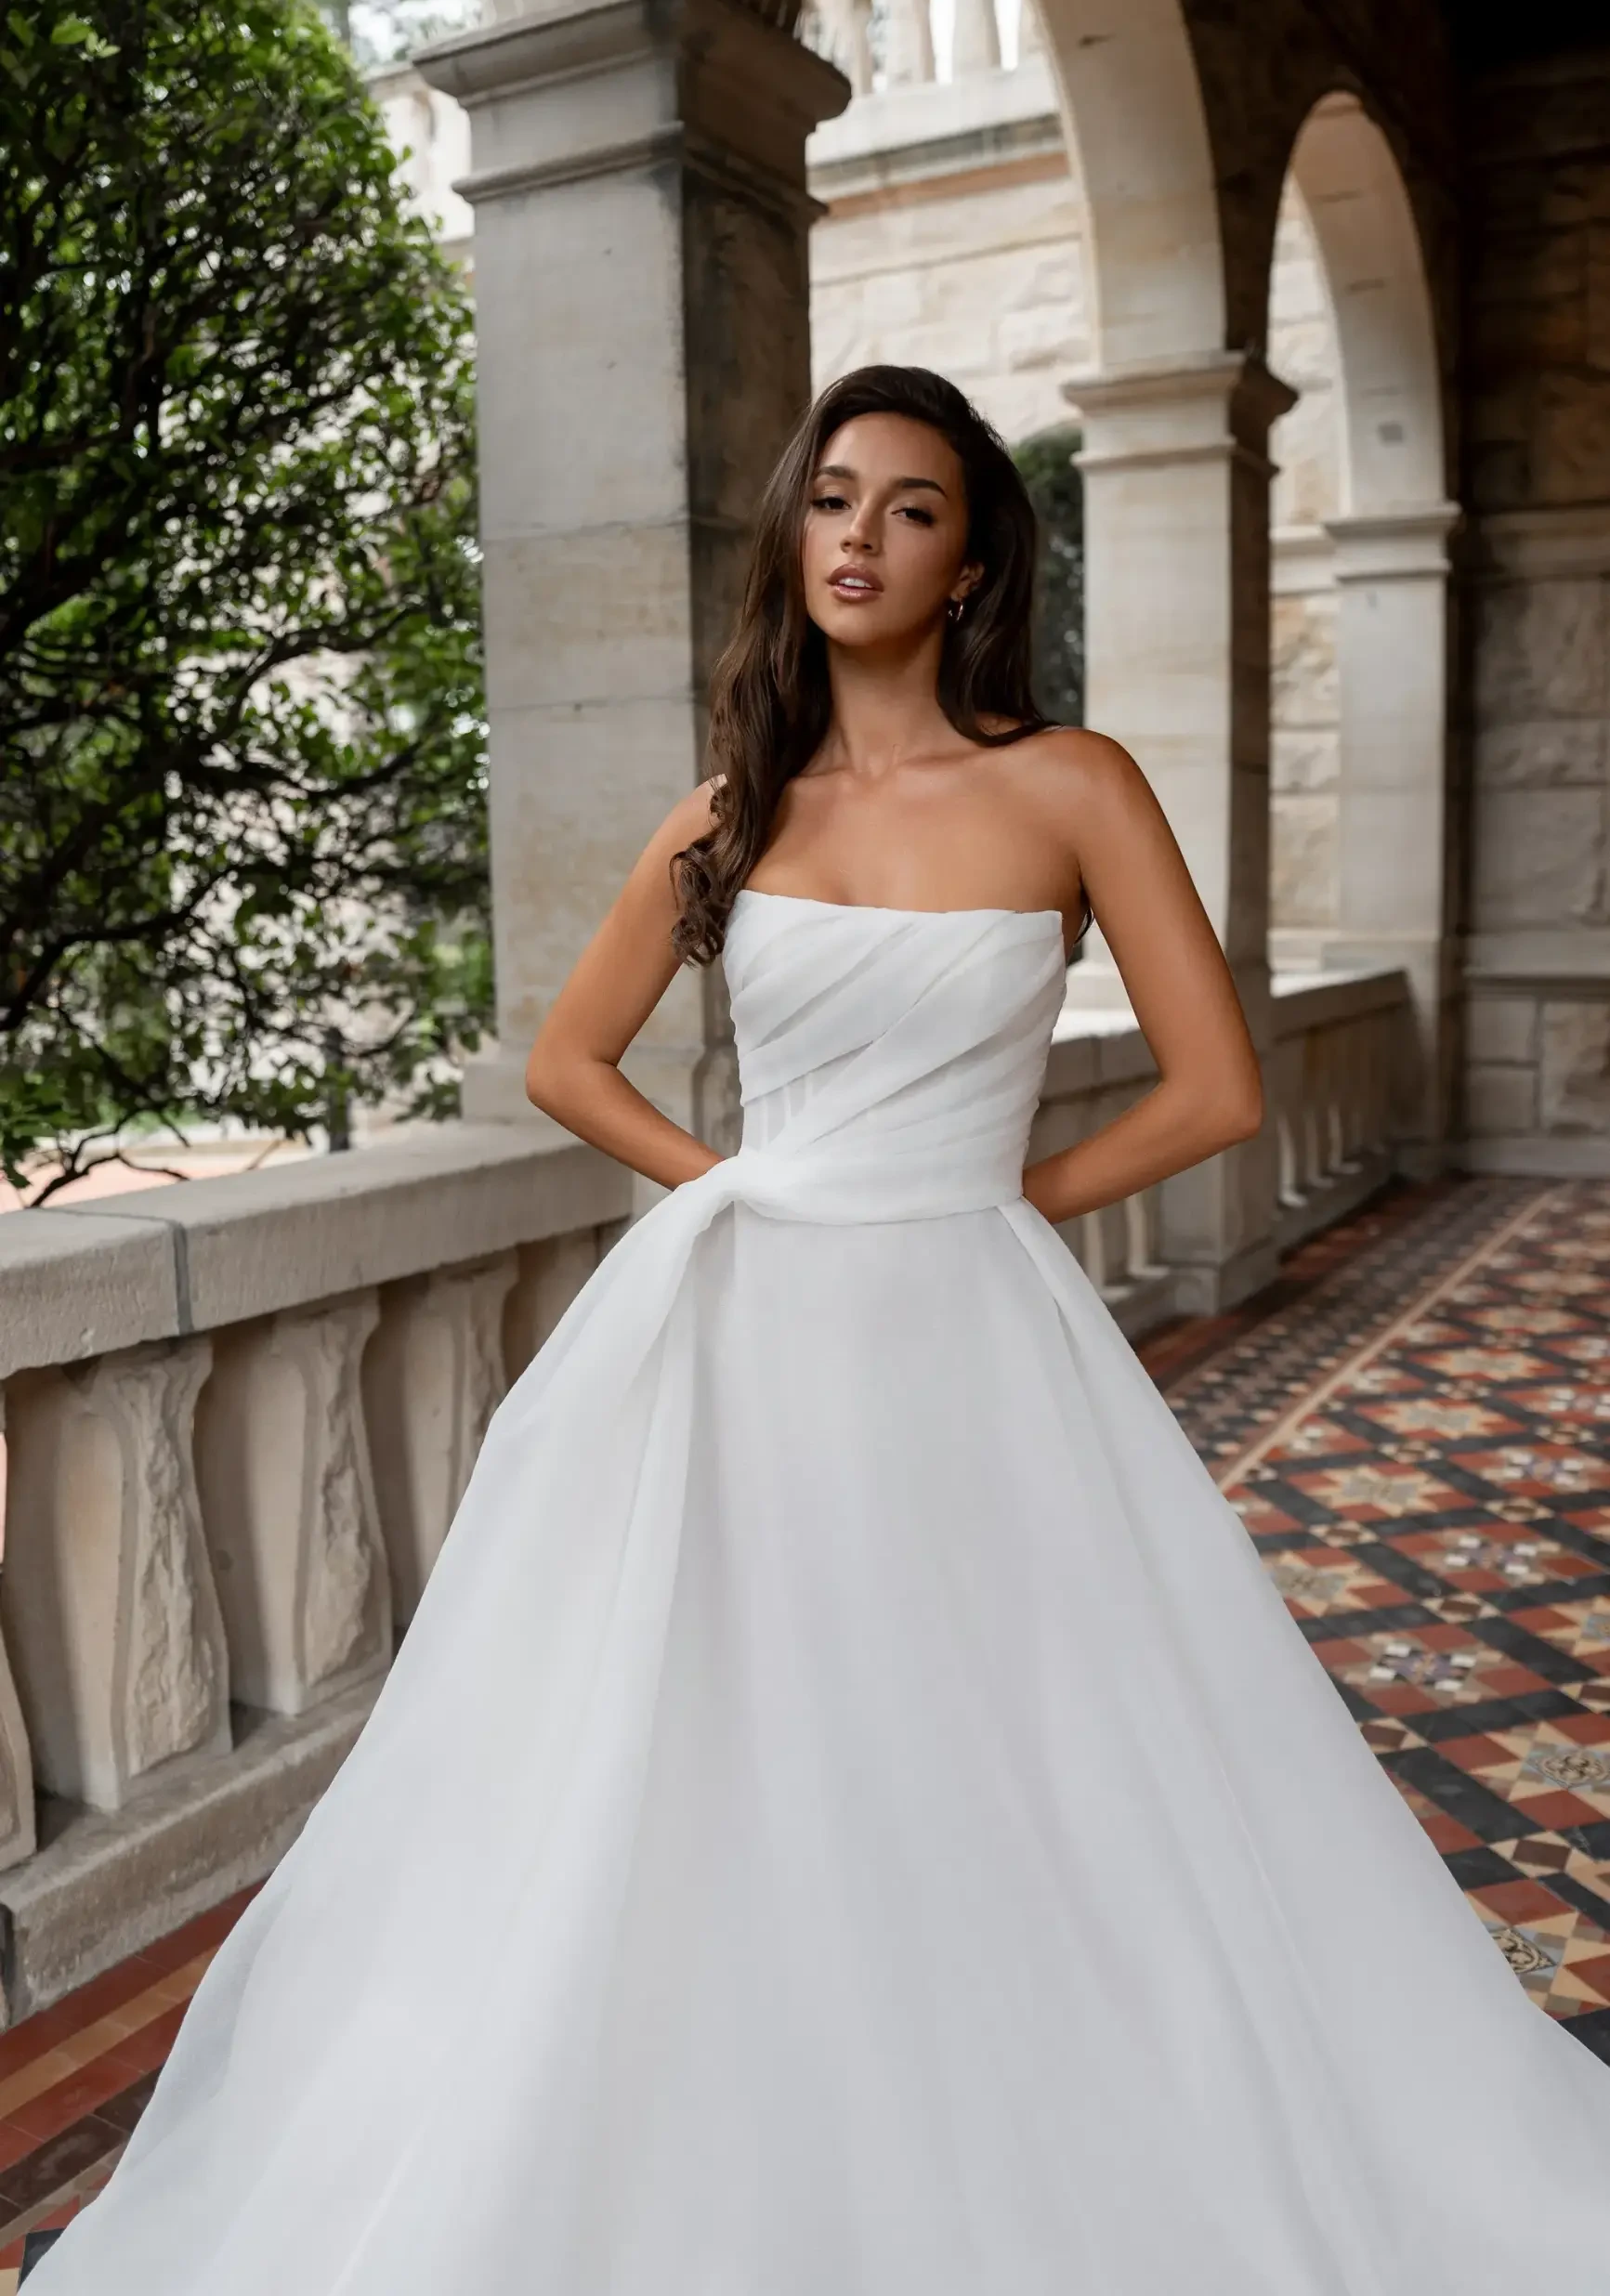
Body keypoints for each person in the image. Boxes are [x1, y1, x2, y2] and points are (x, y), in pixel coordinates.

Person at [31, 367, 1610, 2294]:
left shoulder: (1071, 782)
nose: (856, 537)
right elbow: (562, 1058)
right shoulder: (730, 807)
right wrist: (726, 1187)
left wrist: (994, 1207)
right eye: (830, 499)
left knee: (1006, 1732)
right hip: (744, 1332)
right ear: (797, 536)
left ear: (969, 561)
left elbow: (1212, 1089)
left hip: (964, 1332)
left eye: (910, 507)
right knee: (714, 1739)